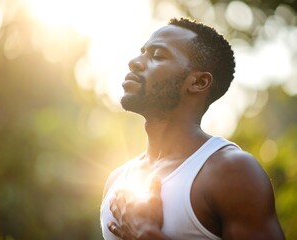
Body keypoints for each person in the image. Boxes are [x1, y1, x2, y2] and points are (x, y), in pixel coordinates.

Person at [100, 17, 285, 240]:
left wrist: (147, 234)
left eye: (157, 55)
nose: (134, 62)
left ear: (198, 82)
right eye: (142, 52)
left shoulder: (232, 172)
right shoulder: (117, 178)